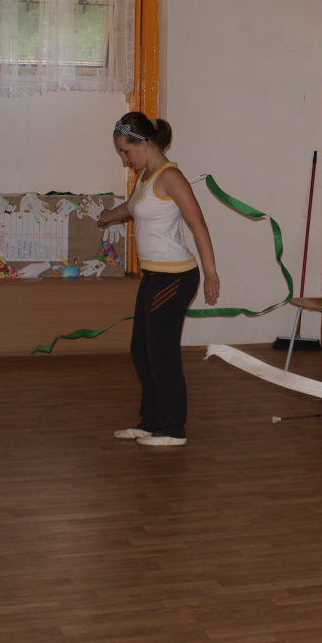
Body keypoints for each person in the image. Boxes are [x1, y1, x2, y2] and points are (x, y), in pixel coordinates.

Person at [97, 112, 220, 447]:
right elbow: (134, 207)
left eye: (126, 152)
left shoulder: (171, 177)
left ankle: (174, 429)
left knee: (161, 353)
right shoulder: (145, 176)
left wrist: (211, 272)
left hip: (175, 277)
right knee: (141, 350)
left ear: (145, 143)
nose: (125, 159)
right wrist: (108, 217)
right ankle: (150, 422)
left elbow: (198, 224)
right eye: (121, 153)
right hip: (154, 276)